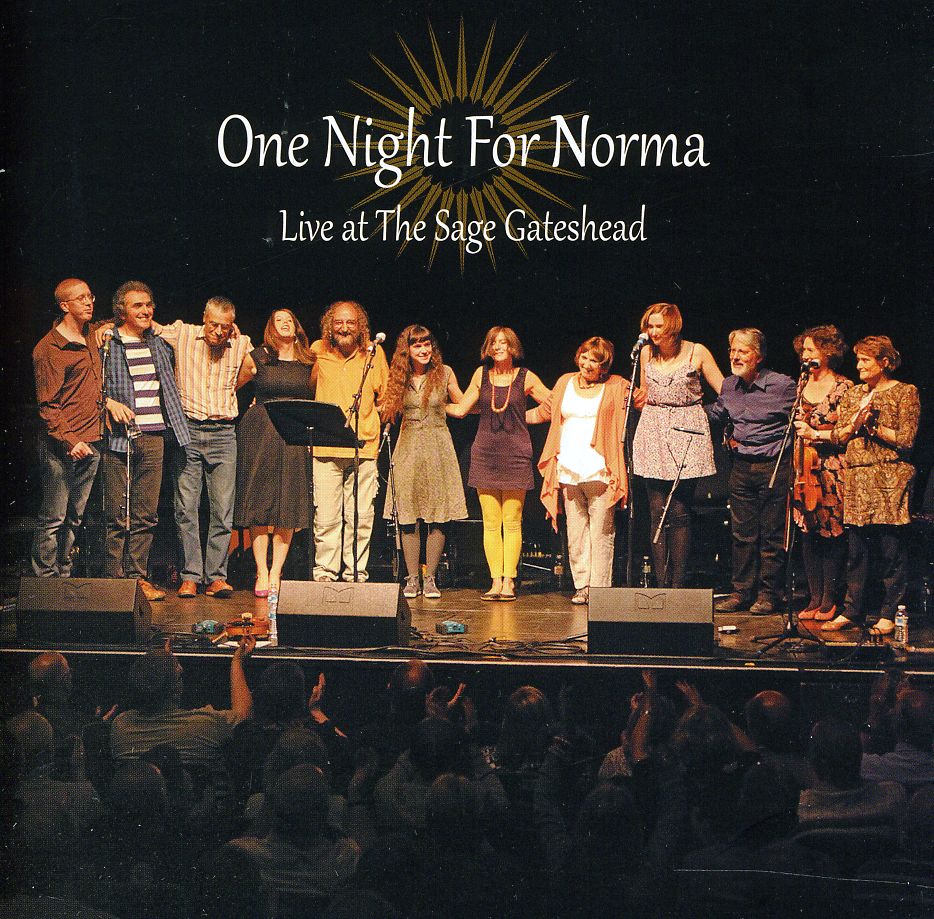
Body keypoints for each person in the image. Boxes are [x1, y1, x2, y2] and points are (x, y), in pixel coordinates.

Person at [153, 297, 256, 598]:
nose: (219, 332)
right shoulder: (183, 333)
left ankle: (216, 577)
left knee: (222, 509)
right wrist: (105, 328)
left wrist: (229, 390)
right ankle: (190, 576)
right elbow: (148, 326)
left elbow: (251, 369)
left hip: (224, 432)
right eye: (214, 325)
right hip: (188, 430)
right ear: (204, 318)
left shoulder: (241, 342)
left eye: (225, 326)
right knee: (186, 507)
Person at [823, 336, 919, 634]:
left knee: (890, 548)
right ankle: (853, 610)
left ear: (884, 362)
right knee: (857, 550)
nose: (859, 366)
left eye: (866, 360)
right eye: (858, 360)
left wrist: (873, 427)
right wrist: (853, 424)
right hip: (857, 477)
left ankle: (889, 612)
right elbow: (839, 435)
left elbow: (906, 439)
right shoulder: (854, 394)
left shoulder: (905, 392)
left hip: (890, 476)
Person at [446, 326, 550, 601]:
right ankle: (495, 580)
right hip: (485, 454)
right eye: (494, 343)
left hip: (515, 455)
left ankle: (509, 581)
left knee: (512, 521)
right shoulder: (480, 375)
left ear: (512, 347)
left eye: (503, 342)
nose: (499, 347)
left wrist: (524, 417)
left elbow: (553, 404)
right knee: (491, 522)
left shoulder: (525, 376)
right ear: (488, 348)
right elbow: (461, 409)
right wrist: (431, 405)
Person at [102, 282, 190, 602]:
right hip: (118, 436)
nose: (145, 310)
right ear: (121, 311)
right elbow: (92, 384)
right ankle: (113, 580)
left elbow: (191, 334)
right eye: (137, 305)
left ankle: (137, 577)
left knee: (146, 514)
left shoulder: (159, 342)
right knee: (116, 512)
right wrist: (107, 402)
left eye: (149, 304)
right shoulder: (107, 343)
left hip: (153, 435)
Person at [530, 337, 633, 603]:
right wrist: (504, 414)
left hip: (600, 469)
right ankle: (582, 586)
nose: (587, 364)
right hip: (569, 468)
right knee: (576, 534)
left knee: (601, 533)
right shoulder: (565, 382)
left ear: (604, 366)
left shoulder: (616, 386)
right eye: (584, 357)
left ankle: (599, 590)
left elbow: (641, 398)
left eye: (595, 360)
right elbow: (543, 412)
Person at [631, 304, 723, 588]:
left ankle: (678, 585)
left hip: (687, 429)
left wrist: (707, 415)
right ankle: (661, 584)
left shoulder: (697, 352)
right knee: (656, 509)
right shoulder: (646, 353)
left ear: (673, 327)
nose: (653, 332)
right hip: (653, 429)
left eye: (659, 326)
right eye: (650, 326)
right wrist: (637, 399)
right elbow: (645, 393)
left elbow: (724, 390)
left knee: (678, 509)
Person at [707, 328, 797, 614]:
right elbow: (717, 413)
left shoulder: (782, 385)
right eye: (732, 351)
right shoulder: (729, 385)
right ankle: (742, 592)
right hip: (741, 466)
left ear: (758, 356)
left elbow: (802, 415)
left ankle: (769, 594)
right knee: (742, 533)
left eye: (742, 351)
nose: (735, 356)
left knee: (771, 534)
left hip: (773, 466)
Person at [381, 325, 467, 600]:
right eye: (417, 345)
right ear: (407, 350)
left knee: (437, 514)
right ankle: (412, 579)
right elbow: (385, 409)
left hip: (438, 447)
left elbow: (462, 406)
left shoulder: (445, 373)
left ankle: (430, 578)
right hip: (408, 448)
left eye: (427, 344)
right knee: (408, 516)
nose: (423, 349)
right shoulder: (399, 377)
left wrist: (444, 407)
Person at [235, 309, 315, 596]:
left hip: (293, 430)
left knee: (287, 502)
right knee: (260, 502)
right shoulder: (258, 357)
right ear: (270, 327)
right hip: (261, 430)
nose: (284, 323)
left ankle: (276, 572)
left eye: (289, 319)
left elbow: (314, 394)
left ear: (297, 327)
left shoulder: (309, 361)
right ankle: (261, 571)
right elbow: (231, 387)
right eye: (278, 320)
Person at [31, 278, 105, 578]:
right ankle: (44, 582)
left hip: (91, 441)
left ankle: (63, 575)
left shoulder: (91, 334)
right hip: (63, 446)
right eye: (80, 298)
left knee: (75, 517)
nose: (88, 302)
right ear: (64, 305)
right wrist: (70, 441)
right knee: (54, 517)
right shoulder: (49, 348)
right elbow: (47, 406)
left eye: (90, 296)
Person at [310, 300, 389, 582]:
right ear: (330, 326)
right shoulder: (318, 351)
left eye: (350, 323)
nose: (344, 328)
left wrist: (375, 418)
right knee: (326, 517)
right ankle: (325, 572)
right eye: (339, 322)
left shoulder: (374, 353)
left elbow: (386, 396)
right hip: (325, 446)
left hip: (363, 447)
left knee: (360, 517)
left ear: (360, 327)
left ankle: (355, 572)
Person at [110, 636, 255, 773]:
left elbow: (152, 679)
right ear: (176, 689)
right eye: (179, 675)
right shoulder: (206, 724)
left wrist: (165, 664)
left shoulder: (121, 726)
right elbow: (244, 717)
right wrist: (237, 662)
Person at [790, 325, 853, 621]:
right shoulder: (802, 383)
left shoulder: (844, 387)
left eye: (811, 350)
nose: (805, 355)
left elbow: (846, 430)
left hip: (830, 468)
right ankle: (814, 597)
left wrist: (816, 432)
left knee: (831, 530)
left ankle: (830, 599)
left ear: (827, 352)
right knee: (808, 529)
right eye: (803, 349)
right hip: (803, 466)